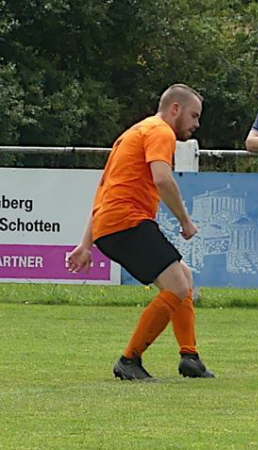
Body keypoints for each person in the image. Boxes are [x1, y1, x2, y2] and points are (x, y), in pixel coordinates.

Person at [67, 84, 214, 381]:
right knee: (177, 287)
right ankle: (129, 360)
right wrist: (185, 221)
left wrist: (86, 243)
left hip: (115, 223)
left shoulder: (134, 132)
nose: (196, 124)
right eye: (194, 116)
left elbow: (104, 190)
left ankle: (190, 357)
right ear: (175, 109)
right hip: (127, 223)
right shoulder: (161, 131)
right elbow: (163, 179)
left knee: (183, 277)